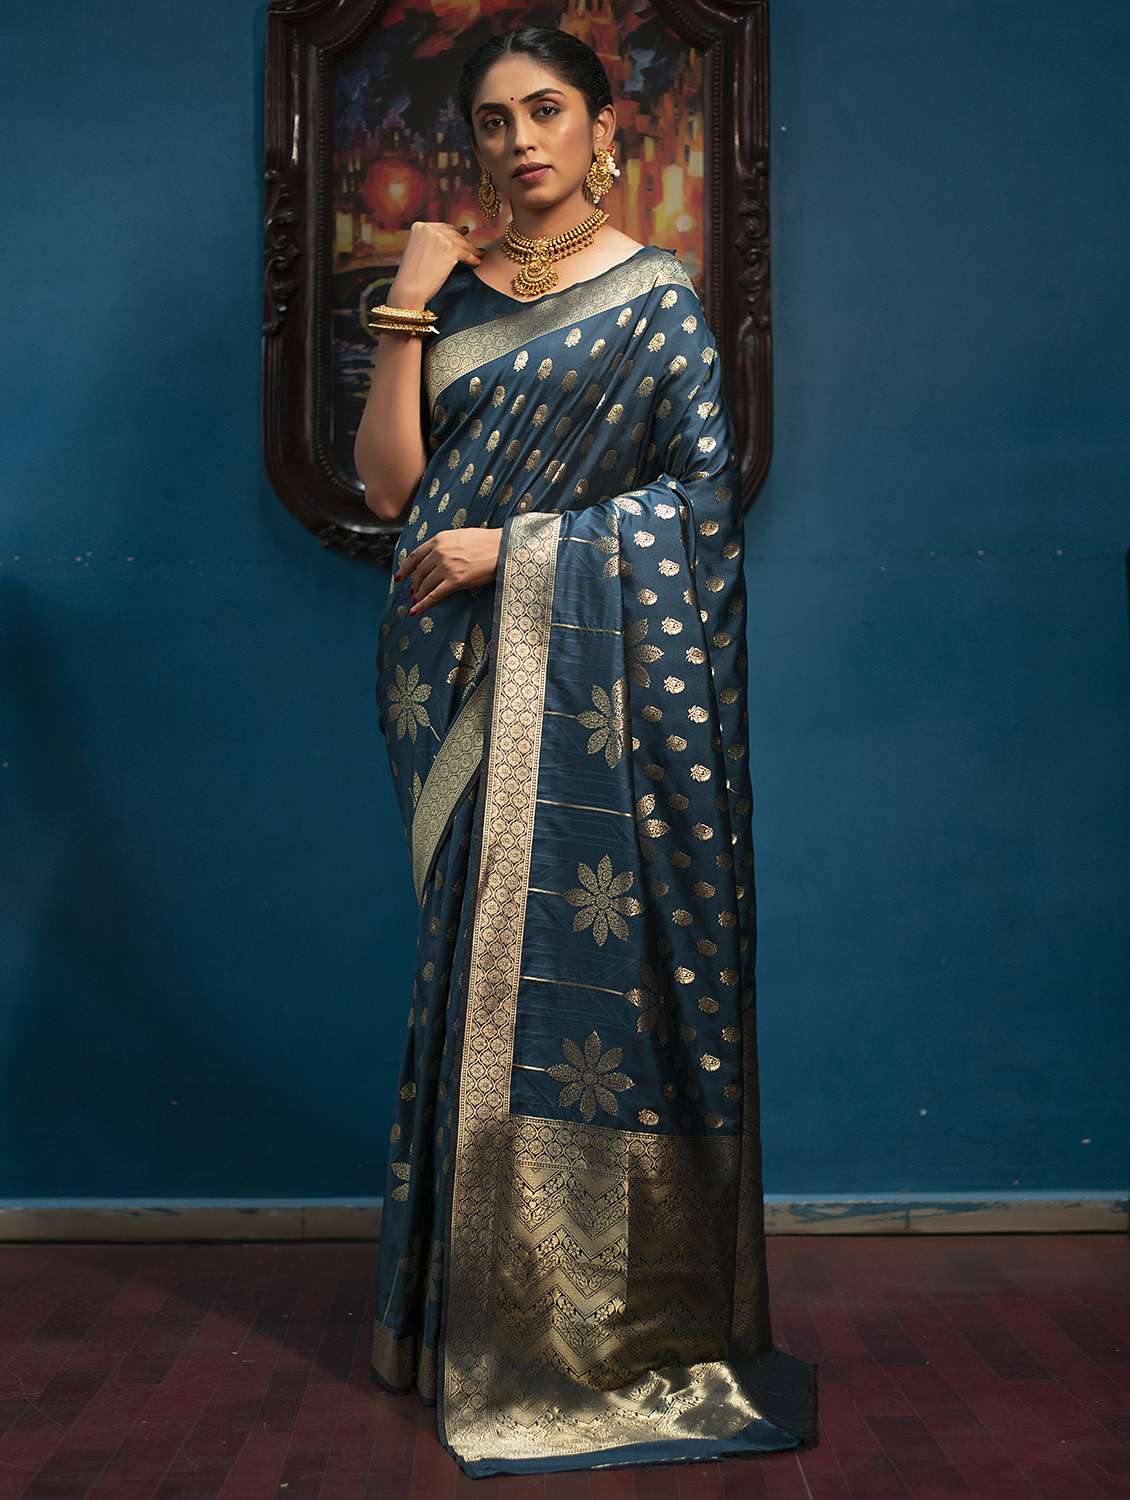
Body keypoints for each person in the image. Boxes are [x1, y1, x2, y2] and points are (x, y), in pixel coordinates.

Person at [353, 24, 819, 1480]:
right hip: (450, 688)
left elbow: (700, 507)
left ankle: (575, 1322)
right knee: (464, 981)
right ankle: (459, 1322)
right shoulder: (453, 290)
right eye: (491, 122)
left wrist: (520, 549)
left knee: (559, 981)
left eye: (544, 110)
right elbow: (393, 490)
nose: (518, 143)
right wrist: (408, 303)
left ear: (602, 126)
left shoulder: (655, 297)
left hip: (583, 695)